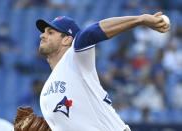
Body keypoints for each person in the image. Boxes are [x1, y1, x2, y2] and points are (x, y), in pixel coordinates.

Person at [35, 12, 170, 131]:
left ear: (67, 39)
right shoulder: (47, 89)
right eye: (44, 32)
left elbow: (90, 33)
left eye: (50, 32)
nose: (42, 35)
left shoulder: (75, 58)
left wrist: (140, 19)